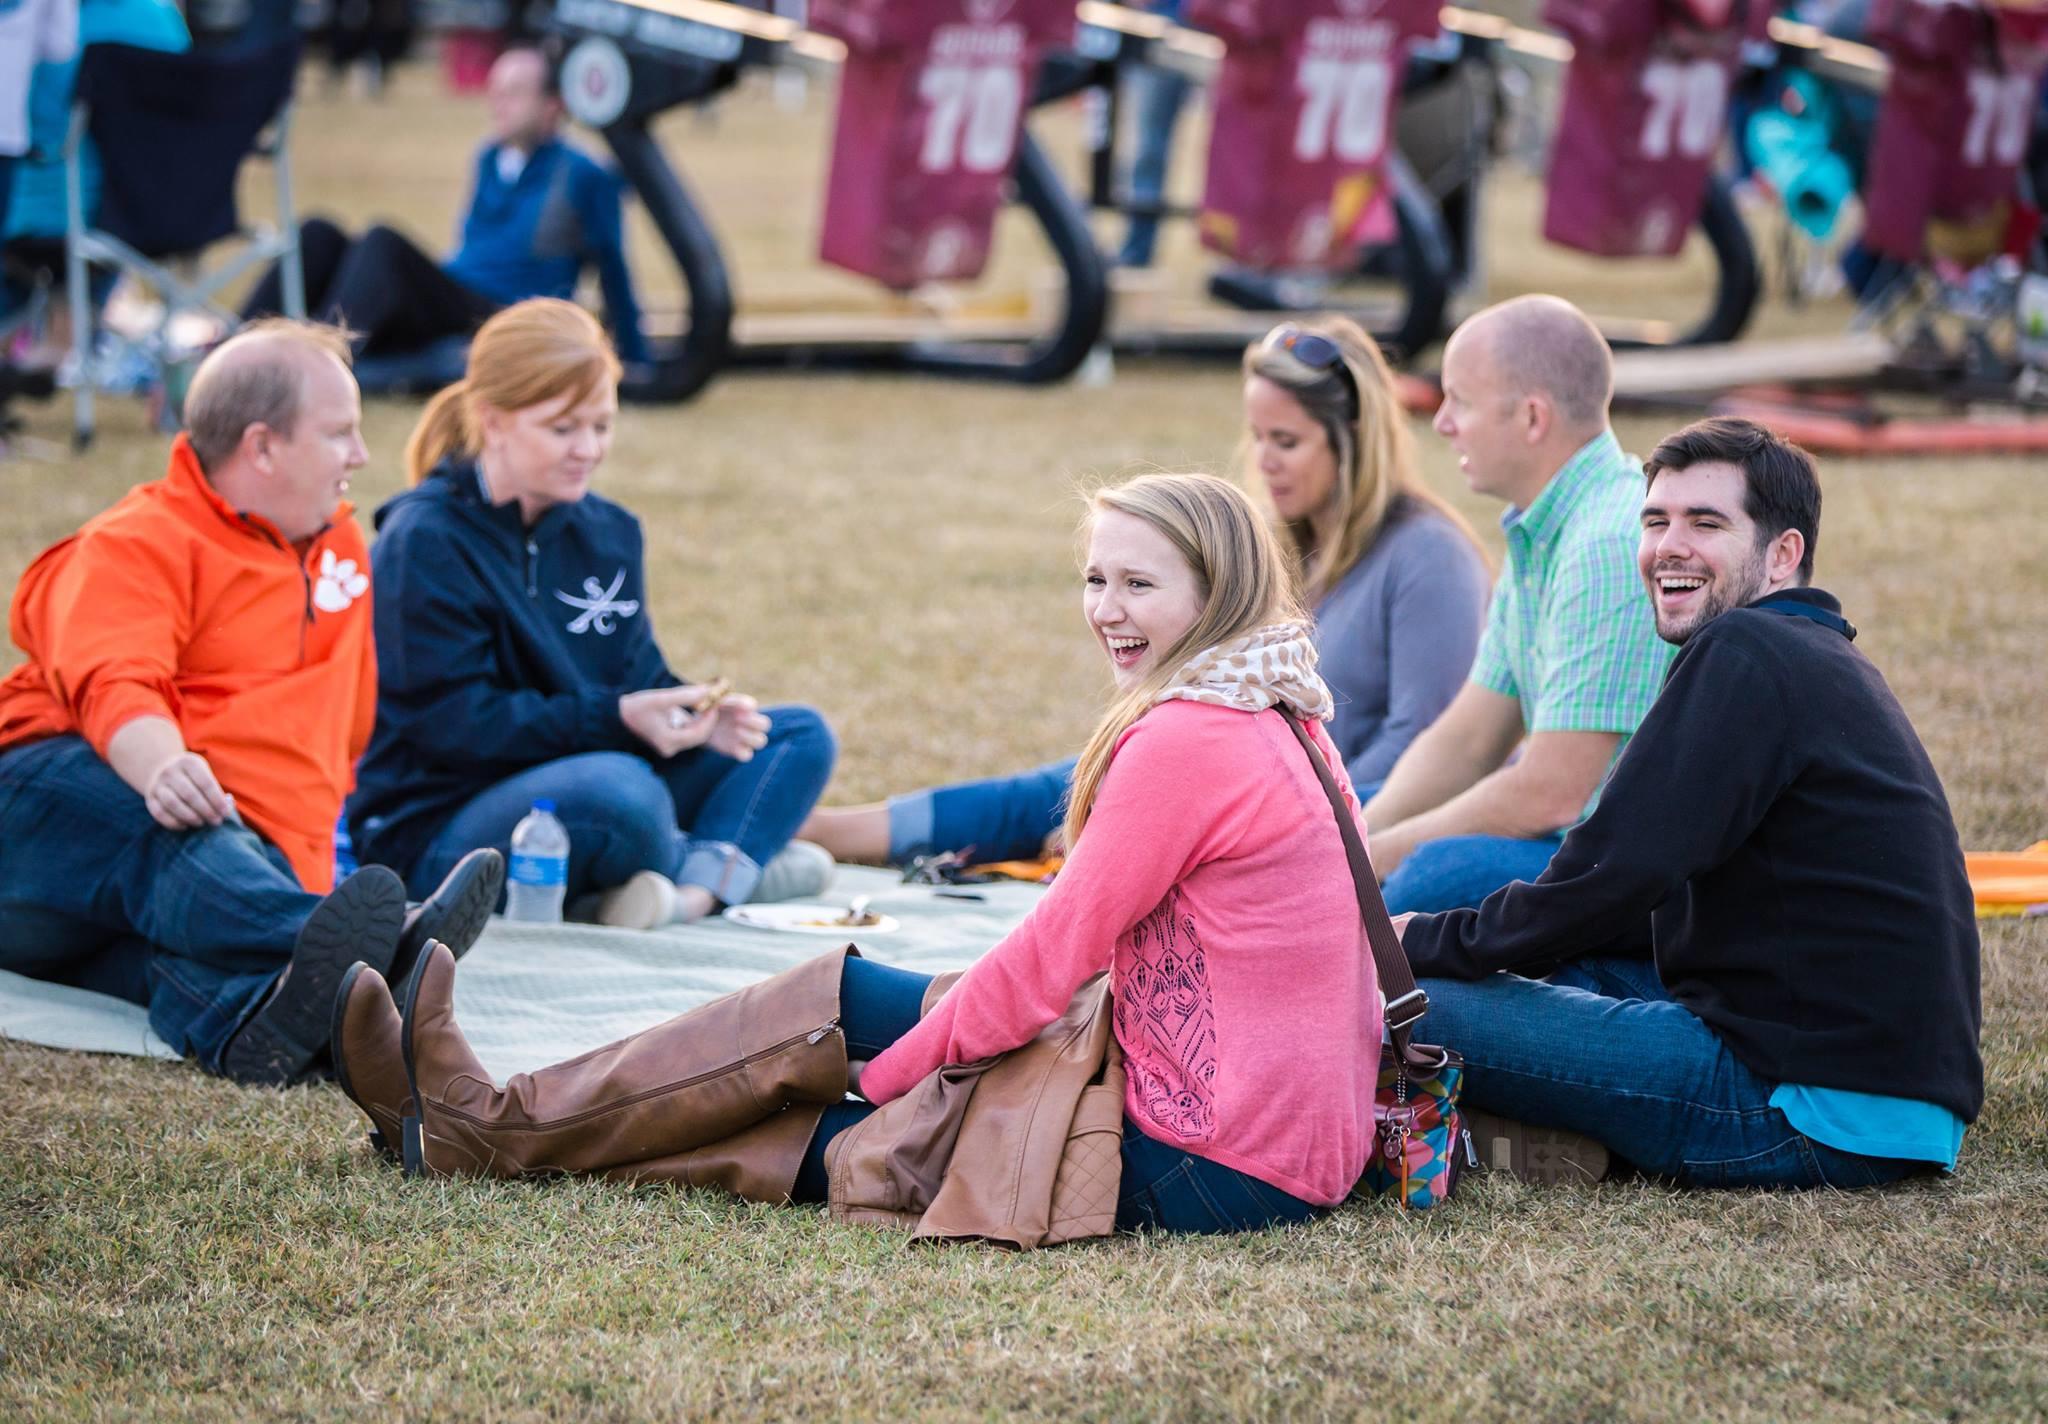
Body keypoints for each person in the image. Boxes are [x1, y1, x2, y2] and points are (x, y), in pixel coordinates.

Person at [332, 472, 1384, 1235]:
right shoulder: (1272, 702)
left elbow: (1052, 955)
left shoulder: (1193, 737)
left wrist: (903, 1069)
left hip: (1216, 1158)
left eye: (1138, 584)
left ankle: (483, 1126)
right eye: (1094, 576)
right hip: (1263, 1131)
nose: (1105, 607)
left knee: (869, 1110)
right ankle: (485, 1114)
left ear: (1218, 591)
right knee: (834, 991)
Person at [1399, 417, 1981, 1189]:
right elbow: (1630, 902)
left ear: (1783, 555)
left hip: (1807, 1107)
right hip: (1876, 1091)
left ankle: (1514, 1118)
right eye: (1654, 521)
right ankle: (1544, 1125)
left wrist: (1421, 941)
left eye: (1706, 523)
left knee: (1411, 1005)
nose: (1669, 545)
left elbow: (1607, 877)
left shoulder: (1745, 652)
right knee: (1563, 966)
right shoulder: (1813, 655)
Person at [0, 321, 501, 1084]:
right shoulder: (135, 542)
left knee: (176, 949)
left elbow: (334, 742)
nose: (361, 456)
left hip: (194, 883)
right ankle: (387, 953)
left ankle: (277, 1017)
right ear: (263, 447)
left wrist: (298, 872)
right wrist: (164, 764)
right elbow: (114, 679)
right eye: (339, 434)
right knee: (173, 823)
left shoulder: (339, 548)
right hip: (46, 824)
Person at [799, 316, 1492, 867]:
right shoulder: (1284, 545)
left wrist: (1239, 815)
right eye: (1256, 437)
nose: (1264, 461)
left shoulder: (1428, 556)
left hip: (1330, 815)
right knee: (1064, 785)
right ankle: (824, 830)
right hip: (1235, 783)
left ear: (1355, 437)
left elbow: (1420, 748)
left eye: (1287, 440)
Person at [345, 298, 836, 929]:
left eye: (601, 427)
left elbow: (634, 676)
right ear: (493, 421)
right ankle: (735, 865)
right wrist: (619, 719)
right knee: (626, 796)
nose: (588, 449)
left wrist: (692, 718)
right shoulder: (425, 539)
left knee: (797, 735)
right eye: (563, 429)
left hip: (590, 767)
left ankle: (691, 897)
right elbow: (455, 727)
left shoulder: (610, 532)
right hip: (444, 823)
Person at [1362, 294, 1672, 914]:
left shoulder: (1607, 545)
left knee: (1425, 878)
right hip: (1564, 838)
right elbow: (1469, 739)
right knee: (1351, 809)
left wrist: (1366, 863)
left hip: (1625, 871)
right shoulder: (1548, 527)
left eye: (1462, 402)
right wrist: (1353, 843)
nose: (1443, 422)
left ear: (1532, 418)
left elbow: (1551, 795)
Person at [241, 46, 647, 364]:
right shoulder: (490, 157)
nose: (499, 103)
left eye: (515, 92)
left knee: (383, 244)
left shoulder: (584, 174)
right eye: (496, 91)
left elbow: (613, 268)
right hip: (453, 295)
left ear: (553, 105)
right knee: (319, 233)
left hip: (501, 314)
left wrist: (634, 357)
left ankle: (317, 368)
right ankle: (232, 351)